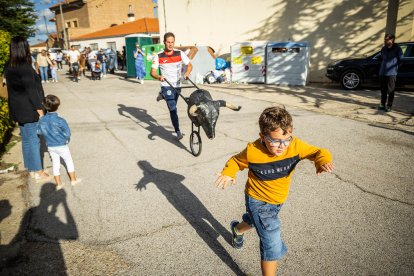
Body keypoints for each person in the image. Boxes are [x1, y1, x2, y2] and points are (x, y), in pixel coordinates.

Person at [214, 106, 334, 276]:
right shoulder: (253, 151)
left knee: (256, 222)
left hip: (278, 200)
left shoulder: (295, 145)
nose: (281, 146)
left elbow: (317, 152)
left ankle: (238, 229)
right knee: (271, 238)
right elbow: (235, 161)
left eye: (286, 140)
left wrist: (322, 161)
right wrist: (228, 173)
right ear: (262, 136)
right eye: (275, 141)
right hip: (257, 199)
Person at [4, 37, 50, 181]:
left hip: (17, 108)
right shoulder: (24, 67)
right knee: (33, 140)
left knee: (26, 140)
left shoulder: (9, 65)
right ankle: (38, 171)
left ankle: (31, 168)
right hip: (28, 108)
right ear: (24, 48)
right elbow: (31, 91)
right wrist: (40, 111)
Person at [150, 32, 193, 140]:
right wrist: (159, 77)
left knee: (173, 103)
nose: (170, 44)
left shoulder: (179, 53)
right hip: (166, 85)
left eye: (172, 42)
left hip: (177, 86)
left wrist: (187, 74)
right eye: (168, 42)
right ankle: (178, 131)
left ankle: (162, 95)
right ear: (164, 42)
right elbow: (152, 72)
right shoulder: (159, 55)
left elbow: (189, 65)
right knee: (173, 109)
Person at [38, 95, 81, 189]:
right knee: (68, 161)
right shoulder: (61, 120)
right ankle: (73, 180)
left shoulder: (42, 120)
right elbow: (68, 133)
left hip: (50, 146)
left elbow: (39, 132)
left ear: (45, 106)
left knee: (55, 163)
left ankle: (58, 184)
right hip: (62, 145)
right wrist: (66, 139)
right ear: (57, 106)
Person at [378, 33, 403, 112]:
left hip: (391, 73)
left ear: (392, 40)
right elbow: (381, 58)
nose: (385, 41)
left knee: (390, 90)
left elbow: (401, 60)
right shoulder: (383, 48)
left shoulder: (397, 49)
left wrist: (395, 68)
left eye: (386, 39)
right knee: (383, 90)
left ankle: (389, 106)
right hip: (382, 72)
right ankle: (382, 104)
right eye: (384, 39)